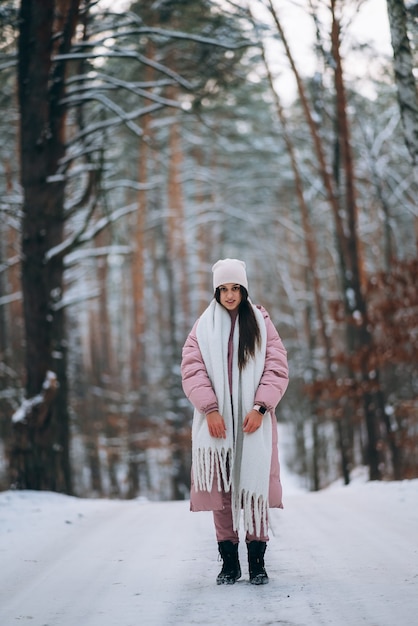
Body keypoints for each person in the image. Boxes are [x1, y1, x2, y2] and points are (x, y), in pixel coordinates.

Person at [181, 258, 289, 585]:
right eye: (223, 289)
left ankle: (257, 562)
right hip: (218, 424)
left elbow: (276, 367)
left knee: (252, 484)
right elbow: (192, 370)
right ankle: (230, 562)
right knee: (224, 491)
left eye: (235, 288)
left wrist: (260, 407)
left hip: (252, 421)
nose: (229, 295)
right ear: (216, 291)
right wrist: (210, 409)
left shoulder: (261, 323)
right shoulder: (203, 327)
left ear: (244, 289)